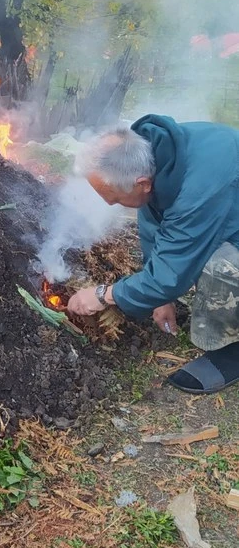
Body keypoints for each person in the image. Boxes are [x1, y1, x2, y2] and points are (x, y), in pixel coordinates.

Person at [67, 115, 239, 394]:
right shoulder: (153, 153)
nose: (111, 205)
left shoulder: (201, 185)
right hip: (229, 210)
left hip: (227, 203)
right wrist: (162, 295)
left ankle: (231, 351)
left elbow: (173, 270)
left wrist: (102, 295)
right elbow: (152, 221)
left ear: (143, 183)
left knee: (218, 266)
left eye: (114, 199)